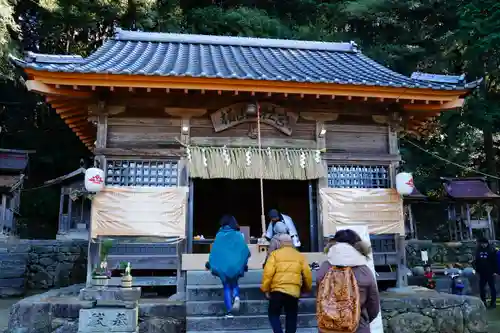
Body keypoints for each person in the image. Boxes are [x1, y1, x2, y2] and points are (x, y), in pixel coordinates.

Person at [316, 229, 380, 333]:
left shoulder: (325, 267)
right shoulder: (364, 270)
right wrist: (363, 319)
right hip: (358, 326)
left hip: (329, 327)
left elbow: (319, 297)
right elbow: (374, 304)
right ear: (358, 246)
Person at [261, 233, 312, 333]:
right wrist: (306, 289)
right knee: (291, 315)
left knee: (273, 314)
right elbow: (307, 274)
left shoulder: (274, 254)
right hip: (293, 291)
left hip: (277, 290)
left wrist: (266, 289)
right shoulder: (299, 256)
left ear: (280, 243)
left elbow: (268, 273)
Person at [206, 215, 251, 318]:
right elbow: (244, 251)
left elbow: (215, 252)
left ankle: (230, 311)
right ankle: (236, 296)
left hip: (223, 267)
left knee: (226, 286)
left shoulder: (219, 235)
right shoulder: (238, 235)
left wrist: (210, 264)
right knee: (234, 282)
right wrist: (241, 263)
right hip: (235, 265)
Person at [473, 237, 498, 308]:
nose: (483, 245)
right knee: (482, 288)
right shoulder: (478, 250)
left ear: (487, 243)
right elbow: (477, 261)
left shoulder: (491, 250)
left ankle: (493, 302)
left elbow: (494, 261)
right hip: (482, 272)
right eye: (481, 244)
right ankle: (483, 301)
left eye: (484, 244)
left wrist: (495, 271)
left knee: (492, 287)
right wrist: (477, 270)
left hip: (490, 272)